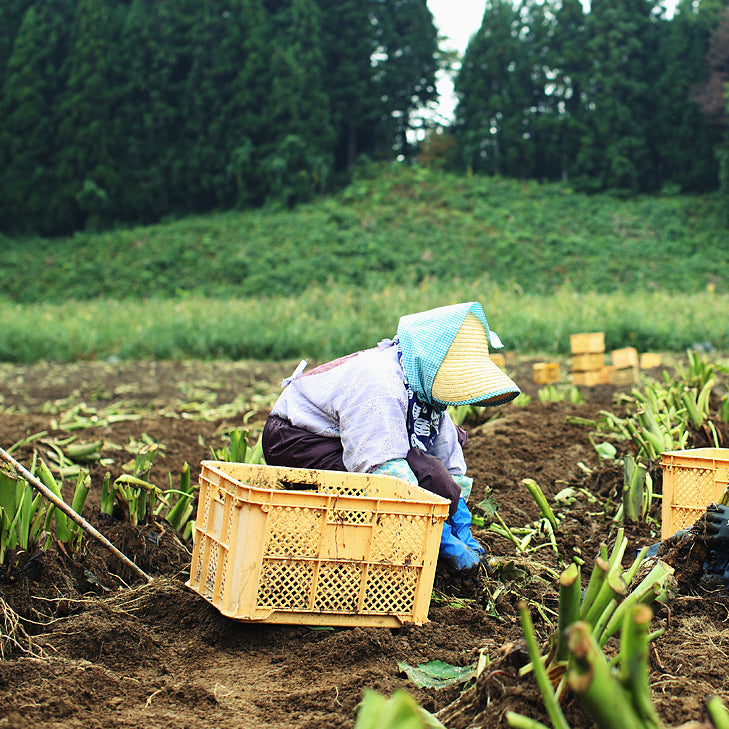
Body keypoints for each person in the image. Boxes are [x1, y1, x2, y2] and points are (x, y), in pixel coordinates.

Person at [261, 301, 521, 572]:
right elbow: (384, 471)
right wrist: (439, 538)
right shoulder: (380, 382)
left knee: (430, 470)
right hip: (299, 439)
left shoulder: (421, 389)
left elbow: (446, 463)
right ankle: (364, 556)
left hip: (344, 436)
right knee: (371, 492)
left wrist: (459, 520)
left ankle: (410, 542)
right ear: (431, 362)